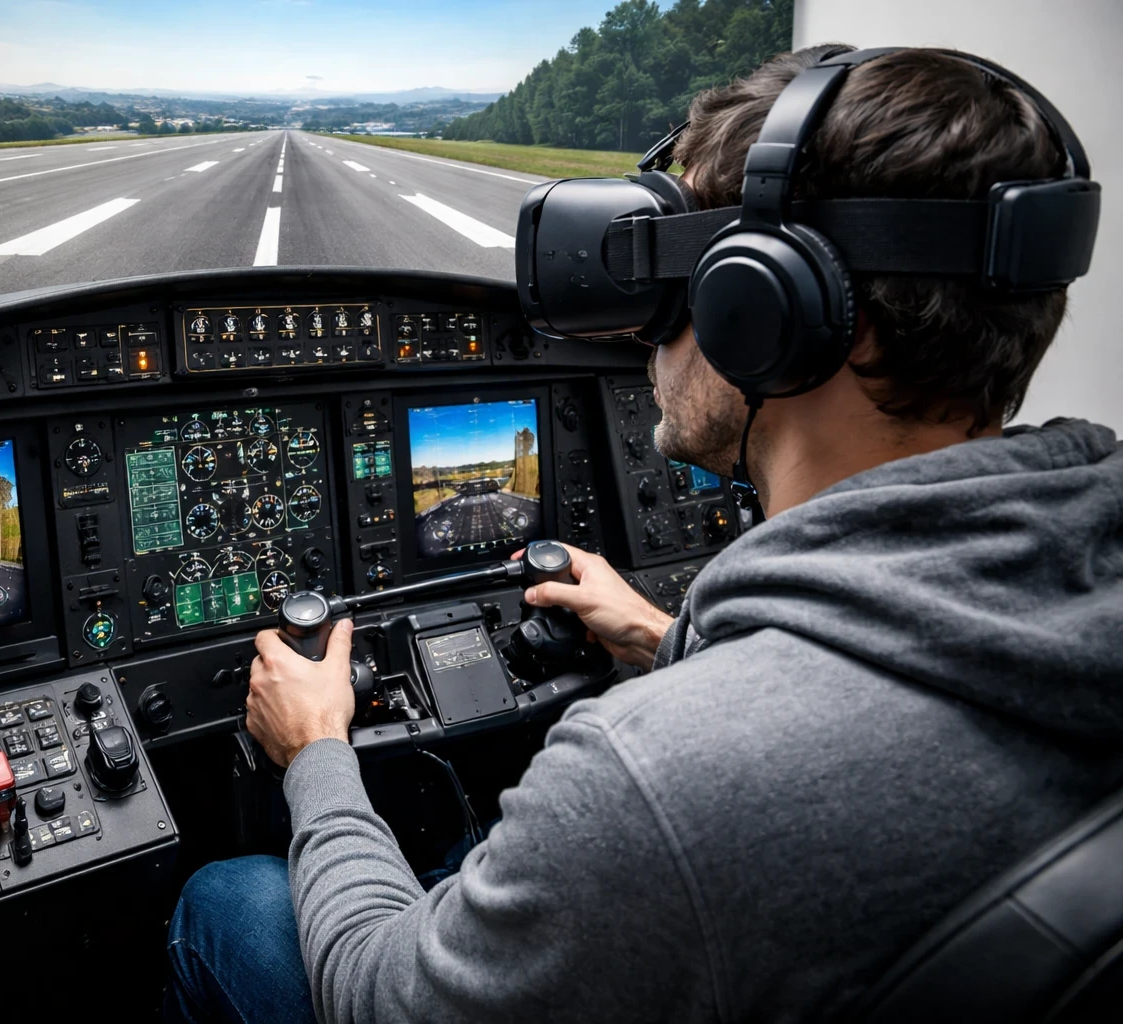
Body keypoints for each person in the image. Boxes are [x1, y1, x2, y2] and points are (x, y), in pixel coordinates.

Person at [164, 45, 1123, 1023]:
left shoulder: (649, 775)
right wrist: (673, 640)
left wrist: (318, 749)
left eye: (688, 278)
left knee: (226, 899)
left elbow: (381, 1001)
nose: (646, 331)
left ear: (777, 306)